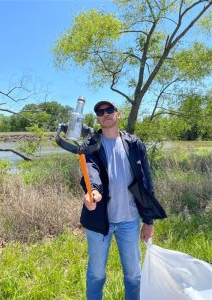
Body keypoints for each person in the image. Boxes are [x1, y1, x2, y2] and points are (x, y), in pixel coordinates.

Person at [80, 100, 159, 300]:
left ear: (118, 114)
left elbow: (146, 182)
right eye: (100, 111)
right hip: (99, 222)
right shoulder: (90, 145)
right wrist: (93, 192)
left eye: (109, 110)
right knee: (96, 274)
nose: (105, 114)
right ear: (97, 117)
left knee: (133, 275)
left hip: (129, 221)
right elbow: (90, 172)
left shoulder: (134, 144)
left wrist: (148, 221)